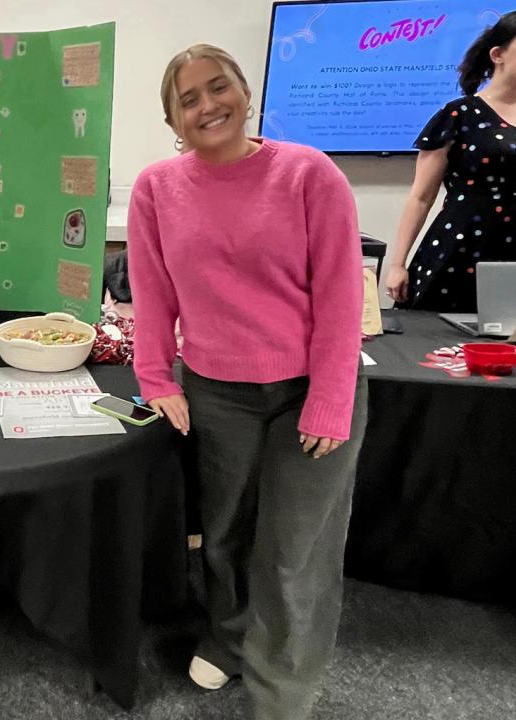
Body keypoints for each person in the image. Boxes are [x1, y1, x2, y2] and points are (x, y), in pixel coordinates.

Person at [128, 44, 367, 720]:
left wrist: (328, 398)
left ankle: (280, 690)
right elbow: (153, 294)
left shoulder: (308, 173)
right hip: (215, 388)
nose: (208, 105)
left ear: (244, 90)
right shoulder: (156, 188)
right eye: (189, 98)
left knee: (294, 553)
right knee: (226, 533)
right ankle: (229, 638)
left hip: (309, 390)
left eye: (218, 86)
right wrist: (155, 376)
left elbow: (343, 295)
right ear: (173, 119)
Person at [385, 9, 516, 311]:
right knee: (435, 345)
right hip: (461, 246)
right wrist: (397, 264)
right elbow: (421, 197)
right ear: (498, 54)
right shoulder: (459, 115)